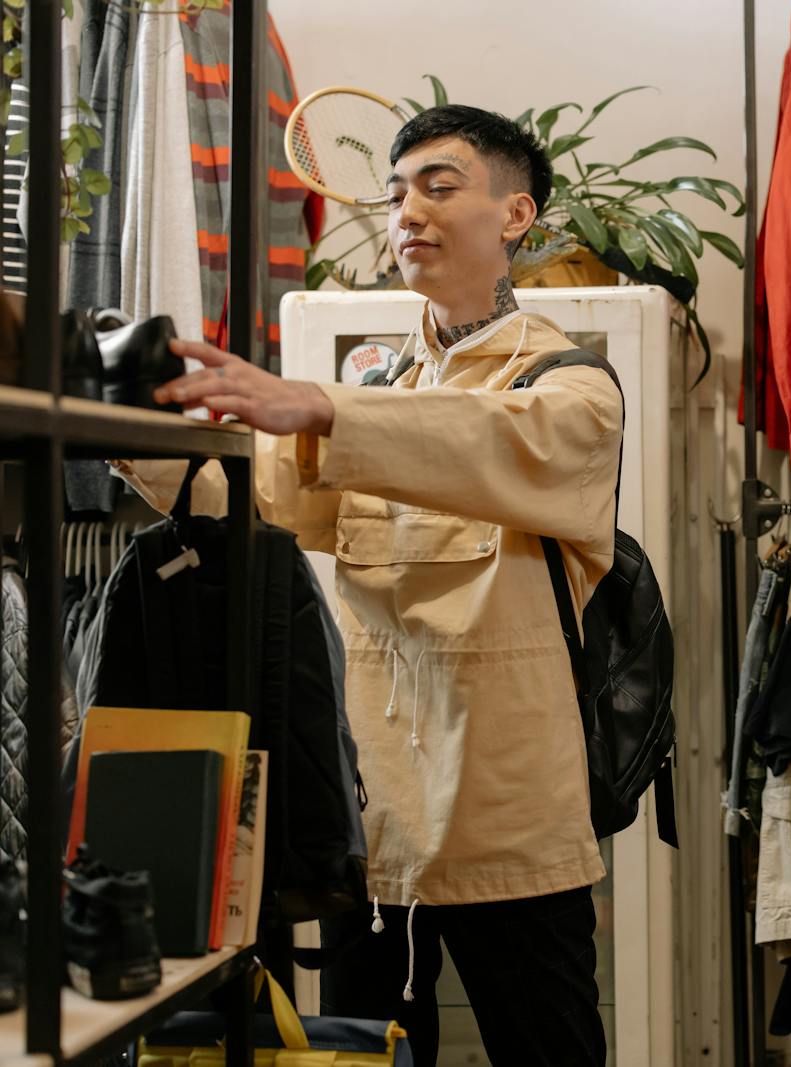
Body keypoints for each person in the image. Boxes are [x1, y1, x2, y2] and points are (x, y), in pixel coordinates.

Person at [115, 105, 620, 1067]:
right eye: (394, 195)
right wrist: (141, 429)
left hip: (513, 826)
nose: (408, 212)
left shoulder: (571, 388)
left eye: (439, 186)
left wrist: (317, 403)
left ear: (516, 215)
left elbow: (490, 439)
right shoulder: (383, 388)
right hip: (374, 823)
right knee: (357, 1057)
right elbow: (266, 500)